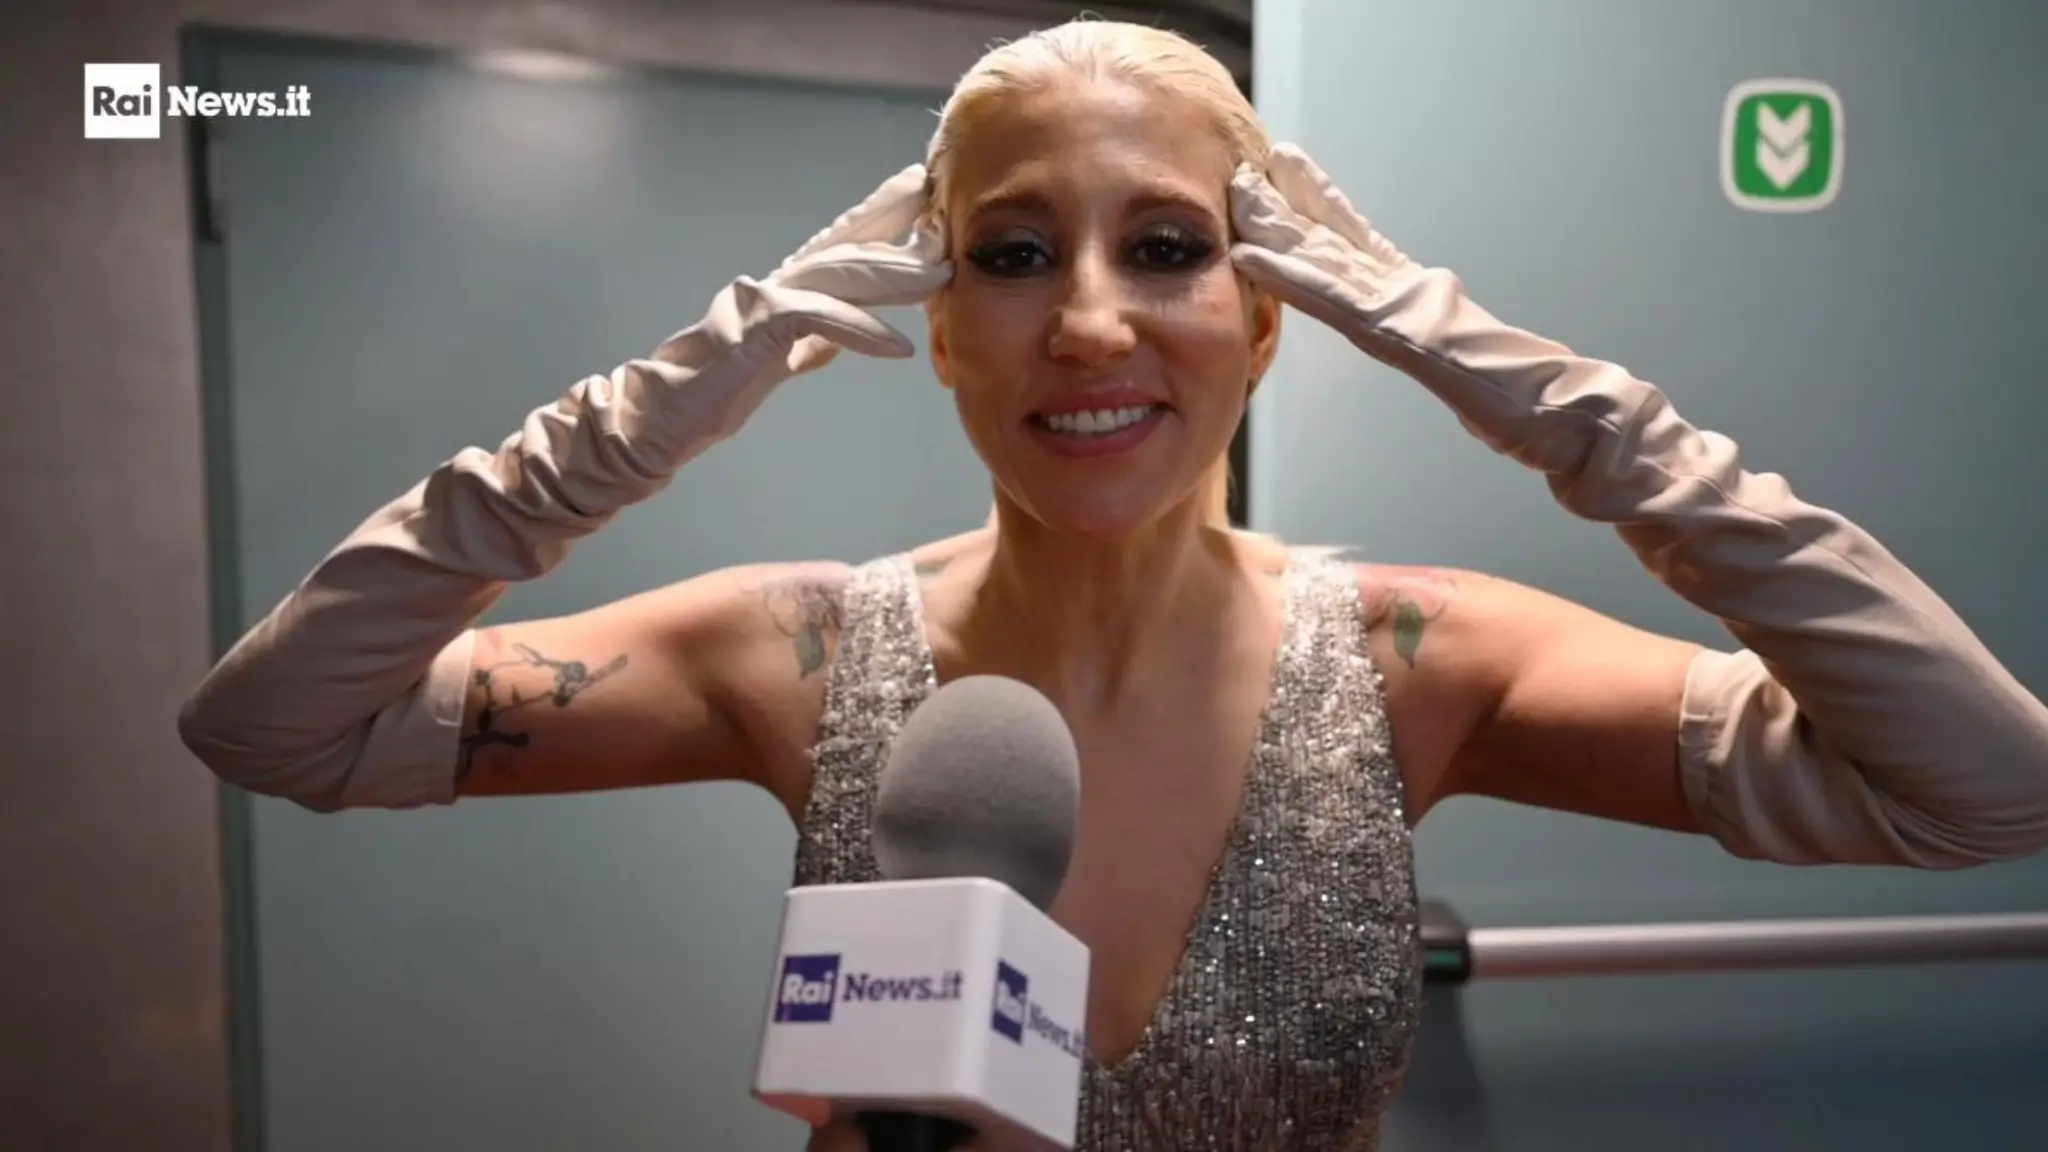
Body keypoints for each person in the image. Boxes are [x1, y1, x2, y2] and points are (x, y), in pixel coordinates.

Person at [178, 18, 2048, 1152]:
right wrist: (661, 405)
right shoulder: (802, 655)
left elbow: (1979, 790)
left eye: (1164, 248)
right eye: (1010, 255)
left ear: (1272, 311)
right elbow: (277, 729)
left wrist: (1551, 403)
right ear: (931, 326)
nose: (1086, 324)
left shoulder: (1415, 661)